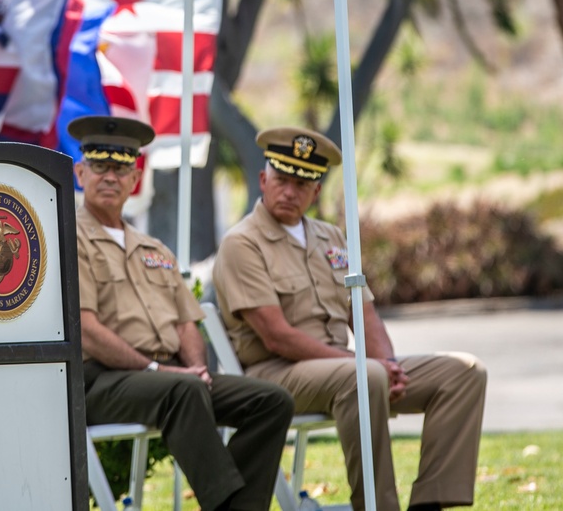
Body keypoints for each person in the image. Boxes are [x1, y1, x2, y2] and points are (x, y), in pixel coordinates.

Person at [212, 126, 487, 511]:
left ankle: (430, 503)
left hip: (345, 372)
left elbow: (364, 313)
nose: (290, 191)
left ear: (316, 191)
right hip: (276, 374)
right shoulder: (242, 243)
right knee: (365, 376)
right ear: (263, 180)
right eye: (282, 180)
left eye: (302, 183)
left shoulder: (331, 238)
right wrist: (366, 365)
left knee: (463, 372)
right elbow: (276, 336)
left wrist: (389, 364)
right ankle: (378, 507)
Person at [69, 115, 294, 511]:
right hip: (101, 382)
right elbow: (87, 332)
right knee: (183, 390)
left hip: (170, 379)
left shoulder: (153, 248)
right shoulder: (69, 239)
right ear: (80, 171)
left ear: (135, 179)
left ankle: (241, 506)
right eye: (100, 166)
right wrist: (161, 372)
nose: (110, 177)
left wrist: (197, 369)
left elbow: (186, 321)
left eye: (121, 168)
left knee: (271, 401)